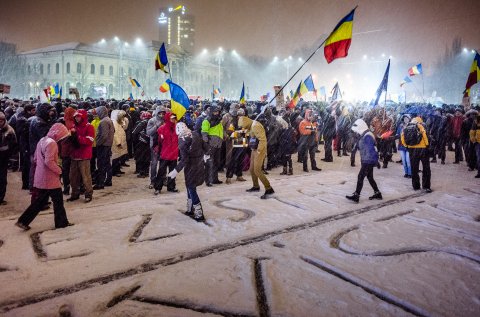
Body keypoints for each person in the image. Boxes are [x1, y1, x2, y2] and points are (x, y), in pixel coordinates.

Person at [15, 123, 72, 230]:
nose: (62, 140)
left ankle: (23, 221)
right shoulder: (52, 144)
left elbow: (36, 159)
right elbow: (49, 161)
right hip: (50, 179)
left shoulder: (42, 140)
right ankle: (61, 222)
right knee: (58, 201)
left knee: (39, 202)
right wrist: (59, 170)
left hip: (41, 177)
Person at [168, 122, 208, 221]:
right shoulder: (195, 134)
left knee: (191, 188)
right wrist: (206, 155)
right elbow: (205, 146)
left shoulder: (182, 141)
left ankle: (199, 213)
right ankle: (190, 209)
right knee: (190, 186)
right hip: (199, 164)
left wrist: (175, 171)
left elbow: (184, 159)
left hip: (191, 167)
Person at [238, 114, 274, 199]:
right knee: (252, 169)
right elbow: (247, 133)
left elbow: (263, 140)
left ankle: (269, 188)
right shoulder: (250, 125)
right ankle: (256, 186)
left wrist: (259, 150)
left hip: (259, 150)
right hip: (254, 149)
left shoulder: (255, 126)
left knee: (257, 170)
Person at [346, 119, 382, 203]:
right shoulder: (364, 135)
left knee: (360, 177)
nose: (356, 132)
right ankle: (377, 193)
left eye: (356, 131)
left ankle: (356, 195)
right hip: (367, 160)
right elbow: (363, 147)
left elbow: (373, 150)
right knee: (370, 177)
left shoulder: (368, 136)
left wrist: (376, 161)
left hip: (368, 161)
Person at [67, 109, 95, 203]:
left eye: (79, 116)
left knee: (86, 176)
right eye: (76, 117)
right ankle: (75, 194)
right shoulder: (74, 126)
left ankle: (88, 194)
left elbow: (89, 140)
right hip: (74, 156)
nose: (77, 118)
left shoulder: (89, 127)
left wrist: (77, 138)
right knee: (73, 177)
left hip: (84, 156)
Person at [401, 116, 432, 193]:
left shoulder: (406, 127)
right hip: (422, 149)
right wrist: (427, 145)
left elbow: (402, 137)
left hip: (412, 149)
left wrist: (406, 146)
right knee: (426, 168)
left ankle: (416, 186)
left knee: (414, 168)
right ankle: (426, 186)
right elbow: (424, 135)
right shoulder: (420, 125)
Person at [154, 112, 179, 194]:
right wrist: (157, 150)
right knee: (161, 172)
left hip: (174, 154)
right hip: (164, 154)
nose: (173, 120)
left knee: (172, 172)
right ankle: (158, 187)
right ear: (167, 118)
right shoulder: (161, 129)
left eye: (174, 118)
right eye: (172, 118)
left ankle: (171, 186)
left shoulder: (178, 128)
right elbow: (157, 142)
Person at [201, 103, 224, 186]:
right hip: (210, 145)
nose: (216, 113)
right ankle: (208, 180)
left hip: (218, 144)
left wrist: (225, 137)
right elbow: (204, 133)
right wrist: (207, 143)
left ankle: (214, 179)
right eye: (215, 112)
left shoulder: (219, 120)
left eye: (217, 112)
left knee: (216, 162)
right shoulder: (206, 120)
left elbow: (221, 130)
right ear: (211, 112)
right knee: (209, 163)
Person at [93, 106, 114, 190]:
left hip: (103, 146)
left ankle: (100, 183)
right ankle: (108, 180)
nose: (97, 114)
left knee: (101, 165)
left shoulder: (103, 121)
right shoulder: (108, 120)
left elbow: (104, 135)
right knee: (107, 163)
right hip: (107, 145)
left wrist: (97, 143)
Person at [146, 106, 166, 188]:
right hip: (155, 145)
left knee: (164, 164)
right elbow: (149, 132)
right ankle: (153, 181)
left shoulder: (166, 120)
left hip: (164, 145)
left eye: (163, 113)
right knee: (154, 164)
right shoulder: (152, 120)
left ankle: (163, 179)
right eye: (160, 113)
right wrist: (157, 126)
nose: (161, 115)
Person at [0, 112, 18, 205]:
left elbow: (14, 145)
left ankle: (0, 197)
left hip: (3, 158)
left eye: (1, 120)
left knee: (2, 178)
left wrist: (8, 155)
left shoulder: (9, 130)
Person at [132, 111, 152, 178]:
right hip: (150, 142)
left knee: (141, 157)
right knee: (147, 158)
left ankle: (142, 172)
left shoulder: (142, 122)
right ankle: (146, 172)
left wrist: (135, 141)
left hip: (141, 142)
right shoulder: (152, 122)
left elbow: (134, 132)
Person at [111, 110, 128, 177]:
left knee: (119, 157)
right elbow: (115, 134)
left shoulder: (119, 122)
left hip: (121, 141)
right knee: (115, 157)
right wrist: (118, 143)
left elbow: (125, 127)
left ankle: (118, 170)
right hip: (116, 143)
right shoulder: (114, 123)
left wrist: (125, 120)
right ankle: (114, 171)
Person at [470, 113, 480, 178]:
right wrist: (473, 140)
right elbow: (472, 131)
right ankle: (479, 172)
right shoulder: (477, 119)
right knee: (479, 158)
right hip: (478, 142)